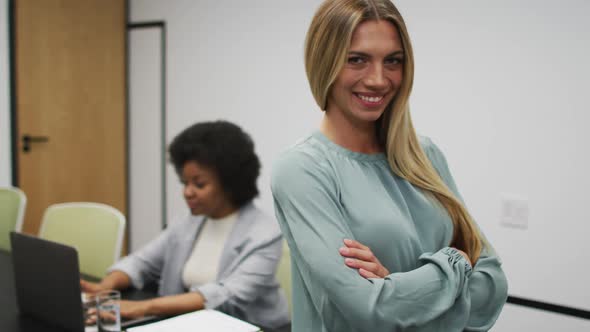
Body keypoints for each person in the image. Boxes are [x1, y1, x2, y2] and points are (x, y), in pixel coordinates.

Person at [270, 0, 508, 331]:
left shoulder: (425, 155)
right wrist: (457, 262)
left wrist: (395, 286)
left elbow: (492, 284)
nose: (379, 80)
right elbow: (370, 311)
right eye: (357, 60)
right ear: (323, 61)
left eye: (393, 61)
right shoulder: (302, 169)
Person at [81, 120, 290, 329]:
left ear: (230, 183)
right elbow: (142, 262)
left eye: (199, 184)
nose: (187, 192)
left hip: (251, 326)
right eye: (185, 183)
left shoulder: (264, 233)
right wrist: (106, 286)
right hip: (190, 323)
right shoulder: (188, 221)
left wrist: (142, 307)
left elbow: (227, 295)